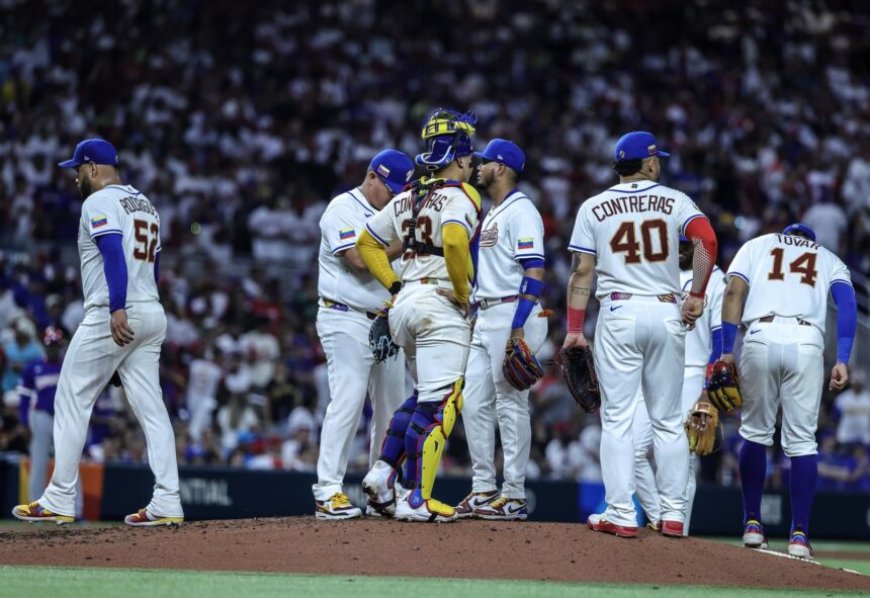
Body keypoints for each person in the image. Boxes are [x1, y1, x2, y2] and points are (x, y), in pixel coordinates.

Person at [12, 138, 184, 526]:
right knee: (152, 410)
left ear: (93, 169)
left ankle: (58, 496)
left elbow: (111, 252)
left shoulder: (99, 202)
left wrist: (119, 306)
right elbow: (153, 267)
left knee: (71, 395)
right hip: (152, 311)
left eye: (77, 170)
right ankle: (169, 501)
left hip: (116, 312)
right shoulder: (146, 204)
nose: (75, 178)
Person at [564, 131, 718, 538]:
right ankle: (671, 513)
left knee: (617, 419)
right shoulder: (675, 199)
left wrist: (575, 330)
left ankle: (621, 513)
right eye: (657, 159)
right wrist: (697, 295)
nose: (659, 164)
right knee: (668, 420)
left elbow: (582, 272)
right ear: (649, 163)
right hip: (667, 308)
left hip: (620, 309)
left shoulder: (593, 207)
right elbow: (707, 239)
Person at [358, 108, 481, 522]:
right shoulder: (460, 194)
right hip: (438, 307)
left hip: (406, 303)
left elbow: (367, 244)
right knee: (441, 403)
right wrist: (464, 292)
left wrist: (395, 286)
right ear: (461, 157)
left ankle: (381, 473)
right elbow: (452, 239)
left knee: (423, 396)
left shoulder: (408, 195)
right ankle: (416, 497)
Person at [721, 222, 856, 558]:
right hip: (807, 340)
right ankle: (799, 534)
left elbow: (733, 292)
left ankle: (752, 523)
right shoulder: (827, 257)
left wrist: (725, 350)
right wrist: (842, 358)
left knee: (754, 432)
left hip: (760, 336)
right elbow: (848, 304)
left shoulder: (758, 244)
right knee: (802, 441)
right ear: (809, 240)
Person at [311, 149, 415, 520]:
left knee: (392, 407)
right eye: (390, 188)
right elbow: (358, 261)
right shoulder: (343, 208)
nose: (394, 195)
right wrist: (407, 239)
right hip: (346, 317)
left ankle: (380, 489)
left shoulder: (397, 210)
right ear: (372, 176)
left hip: (387, 320)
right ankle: (328, 491)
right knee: (348, 399)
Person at [455, 139, 547, 521]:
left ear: (503, 167)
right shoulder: (493, 212)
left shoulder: (522, 211)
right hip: (488, 313)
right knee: (473, 402)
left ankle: (514, 493)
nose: (478, 167)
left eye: (485, 162)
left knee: (510, 405)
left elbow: (534, 270)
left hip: (514, 313)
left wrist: (518, 327)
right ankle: (482, 488)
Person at [632, 237, 727, 534]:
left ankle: (678, 533)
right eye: (679, 243)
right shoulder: (656, 273)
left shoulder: (715, 279)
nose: (683, 249)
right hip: (653, 371)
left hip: (692, 371)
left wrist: (709, 388)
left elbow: (720, 332)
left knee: (682, 456)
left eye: (689, 244)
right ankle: (660, 516)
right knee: (632, 450)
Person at [17, 326, 65, 503]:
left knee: (69, 461)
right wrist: (23, 421)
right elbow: (23, 396)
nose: (52, 348)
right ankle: (35, 505)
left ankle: (76, 510)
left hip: (63, 418)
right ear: (44, 346)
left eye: (55, 345)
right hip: (40, 416)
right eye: (50, 345)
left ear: (60, 346)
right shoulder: (33, 367)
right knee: (38, 462)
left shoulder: (67, 365)